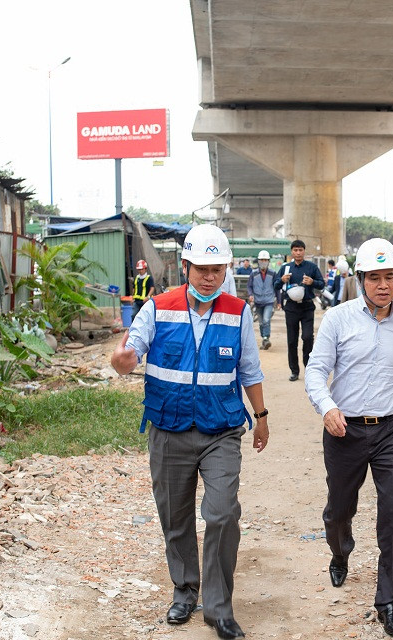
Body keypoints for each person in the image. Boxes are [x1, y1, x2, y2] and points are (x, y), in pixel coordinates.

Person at [110, 224, 269, 640]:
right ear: (185, 266)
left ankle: (218, 608)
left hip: (221, 430)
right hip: (169, 428)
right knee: (175, 516)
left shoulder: (237, 311)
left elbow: (249, 370)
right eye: (201, 268)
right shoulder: (158, 307)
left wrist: (262, 415)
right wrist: (123, 360)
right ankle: (185, 590)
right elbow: (132, 349)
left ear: (226, 269)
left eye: (217, 269)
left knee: (221, 513)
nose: (209, 277)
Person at [304, 238, 393, 638]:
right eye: (374, 277)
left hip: (392, 430)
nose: (383, 285)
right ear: (361, 280)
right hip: (344, 429)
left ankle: (389, 600)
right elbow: (316, 371)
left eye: (389, 277)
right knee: (339, 508)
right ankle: (340, 551)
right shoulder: (338, 319)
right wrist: (328, 407)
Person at [273, 239, 324, 382]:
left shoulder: (311, 267)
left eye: (300, 250)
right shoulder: (286, 268)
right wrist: (282, 280)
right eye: (295, 250)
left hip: (307, 306)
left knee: (308, 337)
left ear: (304, 251)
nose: (298, 253)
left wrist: (312, 282)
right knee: (292, 340)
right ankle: (294, 371)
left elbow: (321, 284)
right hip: (291, 307)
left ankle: (309, 368)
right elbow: (275, 286)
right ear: (292, 252)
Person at [247, 250, 276, 350]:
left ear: (268, 261)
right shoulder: (253, 274)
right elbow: (249, 286)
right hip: (258, 301)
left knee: (266, 320)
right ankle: (264, 339)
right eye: (261, 260)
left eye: (265, 260)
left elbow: (276, 287)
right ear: (258, 261)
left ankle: (266, 337)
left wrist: (279, 302)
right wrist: (251, 295)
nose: (263, 262)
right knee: (260, 322)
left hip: (269, 301)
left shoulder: (273, 274)